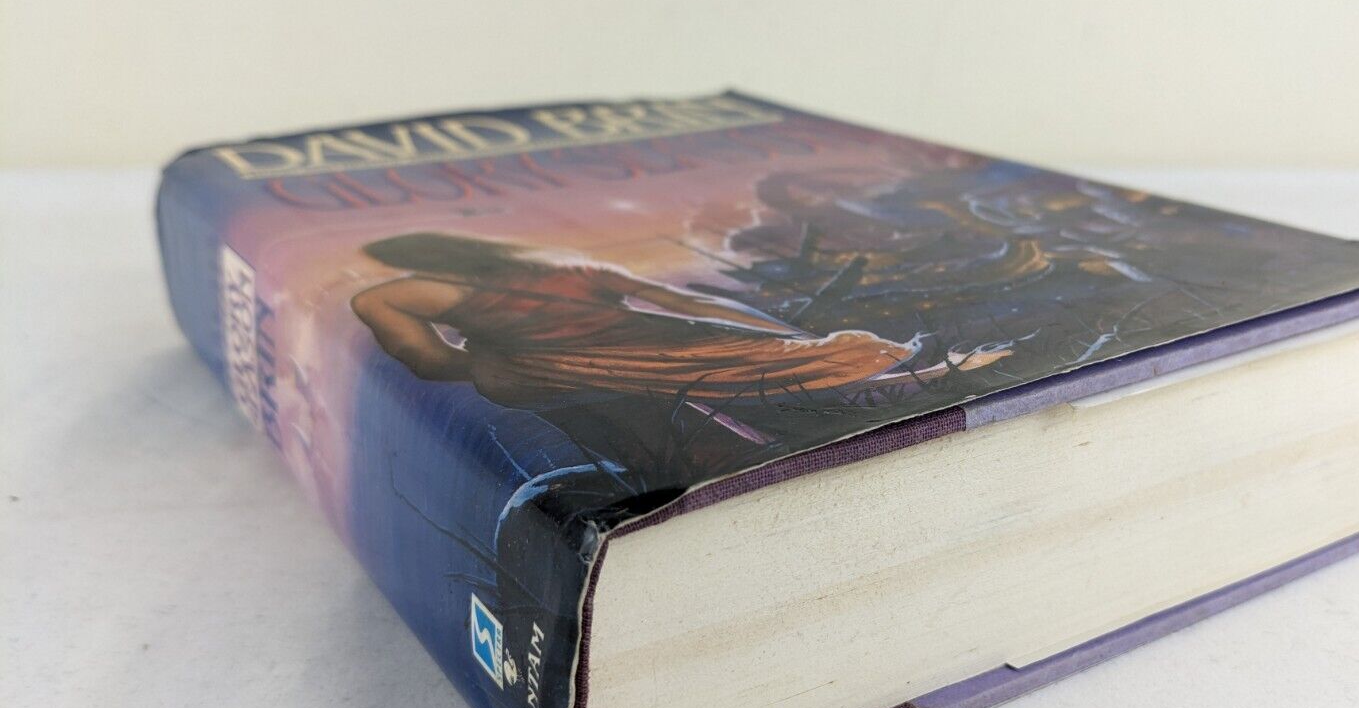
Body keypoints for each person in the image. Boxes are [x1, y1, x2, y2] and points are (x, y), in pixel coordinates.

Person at [350, 232, 1005, 500]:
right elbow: (689, 303)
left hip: (565, 379)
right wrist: (784, 334)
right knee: (785, 384)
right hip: (672, 348)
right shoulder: (566, 267)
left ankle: (946, 377)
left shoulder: (424, 293)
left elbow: (418, 352)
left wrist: (488, 362)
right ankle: (952, 374)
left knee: (667, 446)